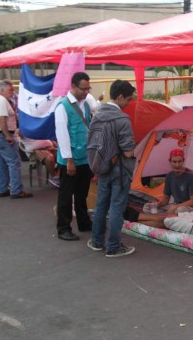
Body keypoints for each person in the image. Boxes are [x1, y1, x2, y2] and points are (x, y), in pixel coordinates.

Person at [87, 80, 137, 258]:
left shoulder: (97, 114)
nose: (129, 103)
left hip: (101, 166)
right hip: (120, 170)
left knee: (101, 205)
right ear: (121, 97)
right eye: (129, 99)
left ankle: (97, 241)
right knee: (116, 207)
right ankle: (114, 247)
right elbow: (129, 151)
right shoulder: (122, 119)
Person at [55, 72, 94, 241]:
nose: (86, 92)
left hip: (84, 158)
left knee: (81, 194)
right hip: (69, 160)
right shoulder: (62, 106)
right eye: (83, 89)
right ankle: (63, 228)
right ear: (73, 87)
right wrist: (69, 160)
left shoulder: (85, 105)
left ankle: (84, 222)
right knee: (66, 195)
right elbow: (62, 135)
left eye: (88, 88)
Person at [135, 148, 193, 228]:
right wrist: (156, 204)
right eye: (174, 162)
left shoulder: (191, 176)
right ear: (170, 161)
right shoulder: (169, 176)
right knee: (147, 207)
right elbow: (165, 200)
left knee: (179, 210)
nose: (177, 165)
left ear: (183, 161)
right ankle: (165, 219)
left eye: (179, 161)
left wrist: (175, 207)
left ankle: (163, 221)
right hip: (177, 206)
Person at [0, 80, 33, 199]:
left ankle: (2, 188)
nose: (13, 92)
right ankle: (16, 190)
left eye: (13, 89)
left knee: (1, 162)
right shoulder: (2, 101)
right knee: (14, 161)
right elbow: (1, 119)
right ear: (2, 90)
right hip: (3, 135)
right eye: (10, 90)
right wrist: (7, 135)